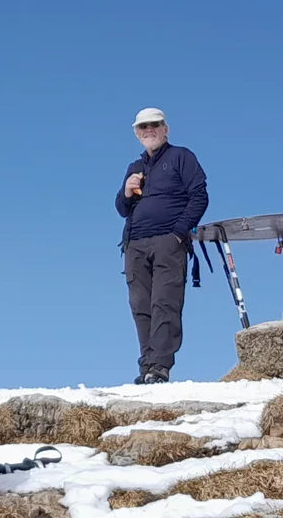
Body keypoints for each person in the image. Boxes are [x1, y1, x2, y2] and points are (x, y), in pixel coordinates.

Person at [115, 107, 209, 385]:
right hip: (135, 244)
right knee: (141, 305)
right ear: (137, 134)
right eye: (143, 127)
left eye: (155, 125)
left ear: (165, 129)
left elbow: (199, 196)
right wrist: (127, 192)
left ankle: (160, 366)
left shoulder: (181, 157)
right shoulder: (135, 167)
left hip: (168, 241)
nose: (149, 130)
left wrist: (178, 233)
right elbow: (121, 208)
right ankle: (147, 365)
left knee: (164, 303)